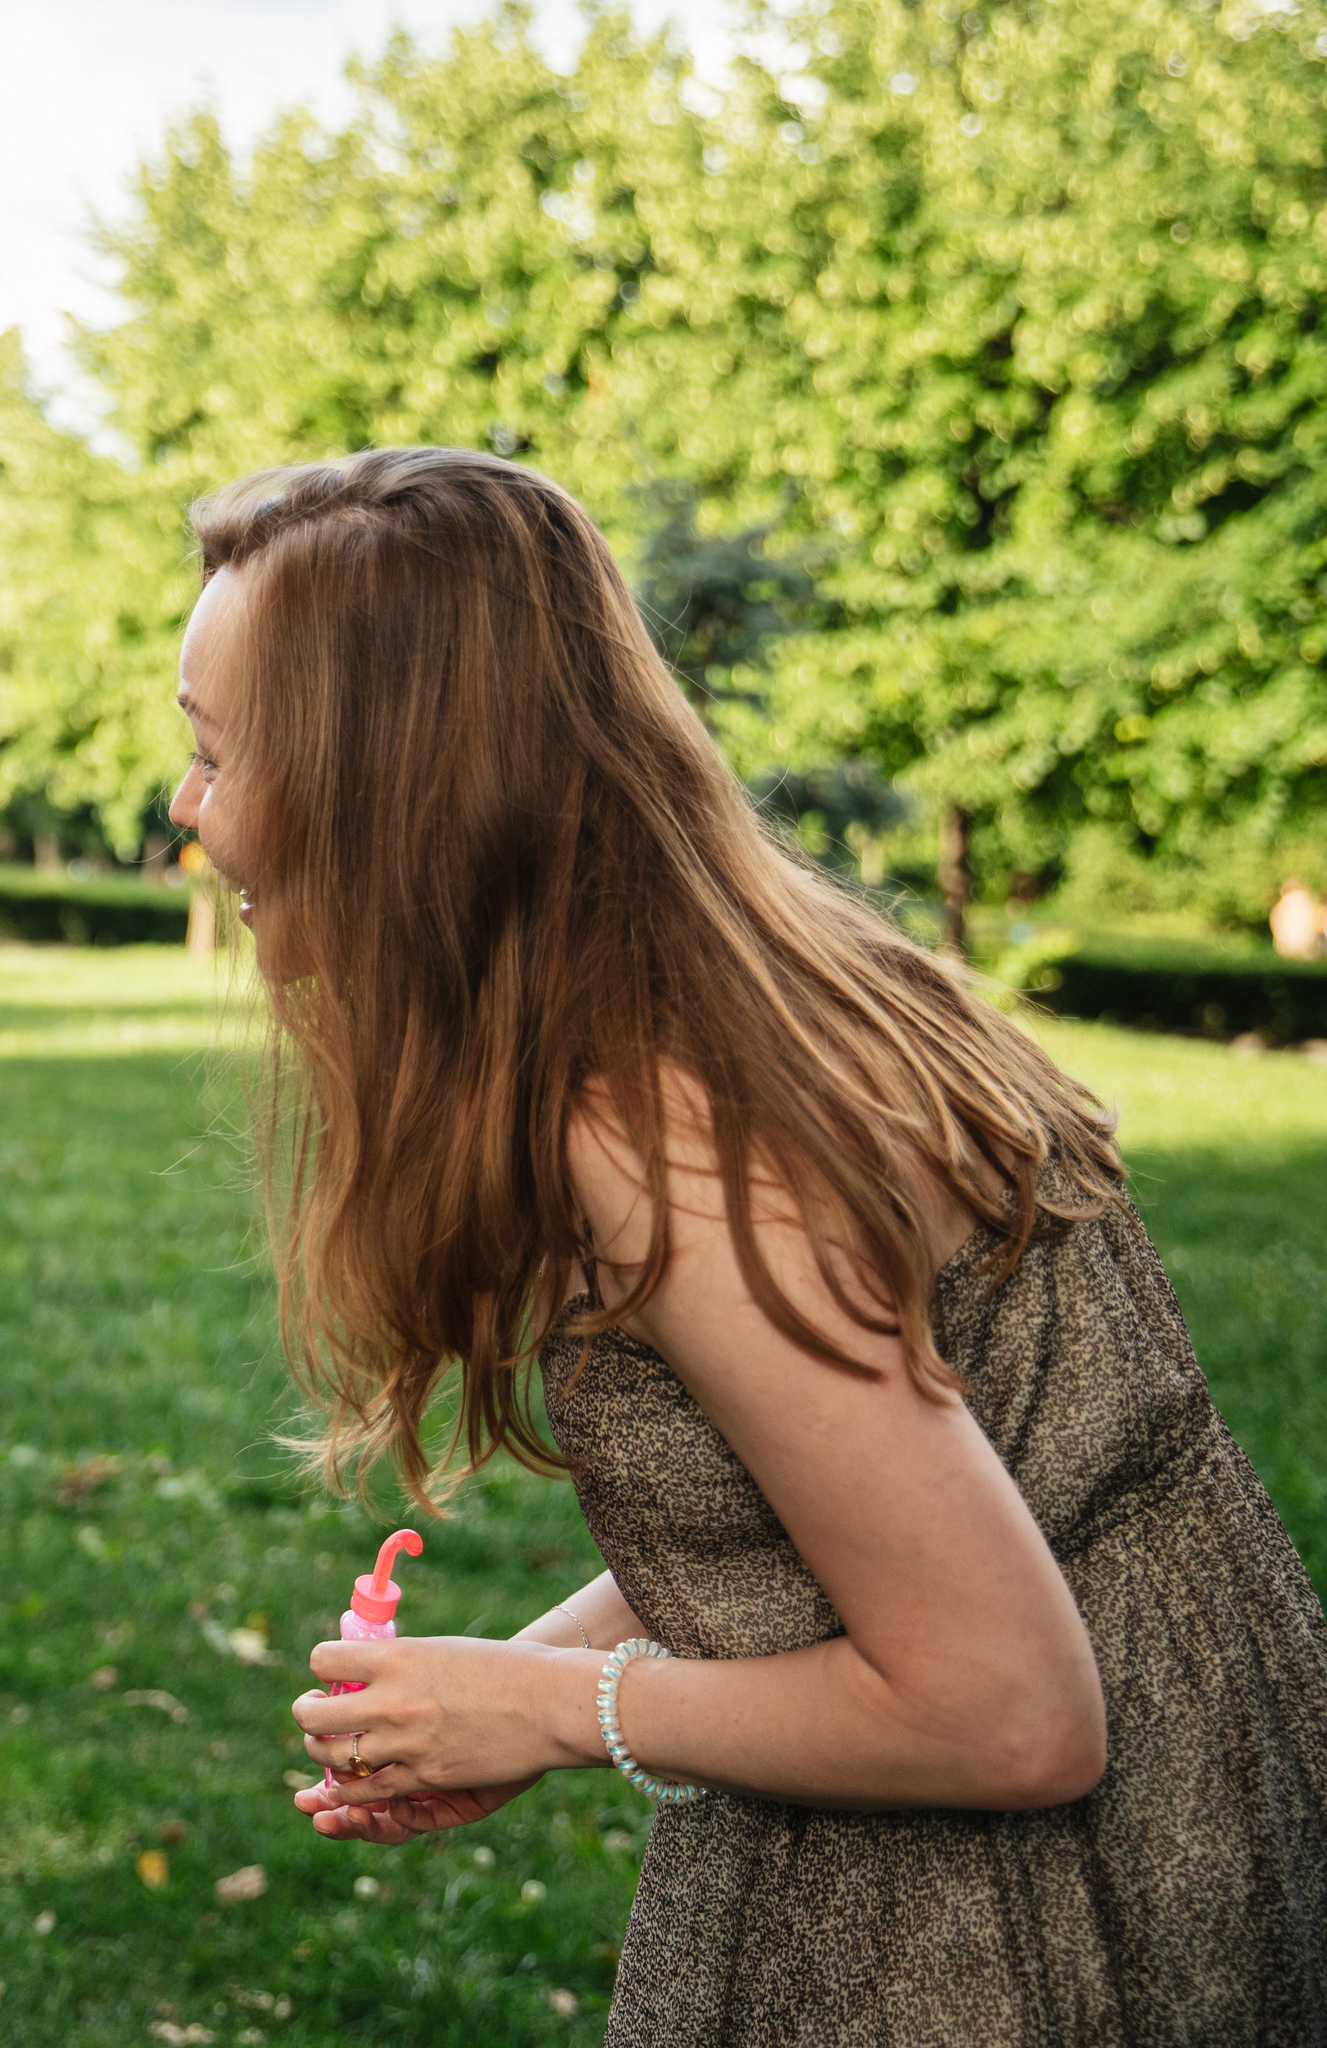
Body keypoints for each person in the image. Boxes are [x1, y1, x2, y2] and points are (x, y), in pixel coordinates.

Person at [162, 447, 1327, 2044]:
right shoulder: (752, 976)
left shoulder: (666, 1130)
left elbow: (1007, 1710)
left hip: (1016, 1922)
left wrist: (557, 1713)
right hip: (1182, 1784)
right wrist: (490, 1693)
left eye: (219, 755)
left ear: (389, 793)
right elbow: (838, 1511)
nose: (189, 810)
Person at [1274, 877, 1323, 960]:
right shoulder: (1307, 903)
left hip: (1287, 946)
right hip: (1306, 946)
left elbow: (1275, 923)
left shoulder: (1282, 905)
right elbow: (1316, 922)